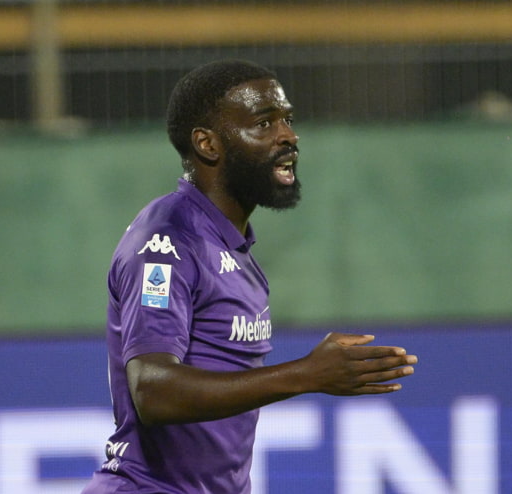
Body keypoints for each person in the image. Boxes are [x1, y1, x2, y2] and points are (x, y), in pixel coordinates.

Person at [81, 59, 418, 494]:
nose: (289, 136)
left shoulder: (236, 252)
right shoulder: (167, 241)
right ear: (207, 144)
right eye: (264, 123)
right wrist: (308, 375)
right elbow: (153, 391)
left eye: (288, 120)